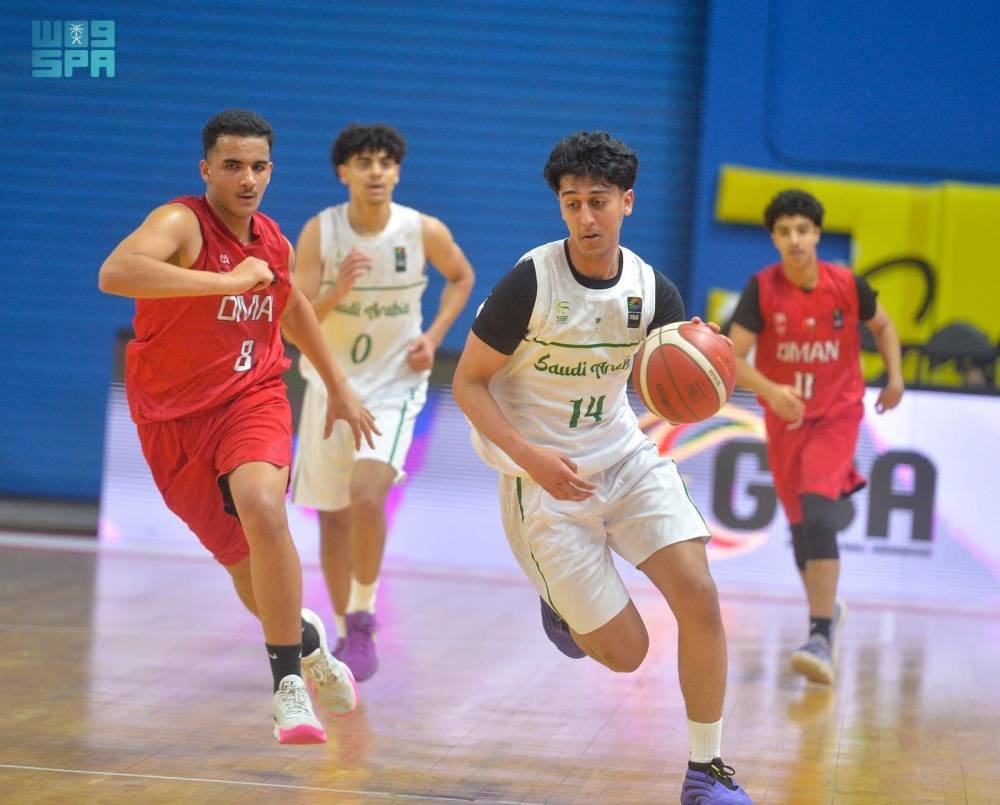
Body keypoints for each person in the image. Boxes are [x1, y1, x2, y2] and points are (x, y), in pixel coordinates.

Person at [452, 131, 752, 804]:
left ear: (627, 202)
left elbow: (673, 378)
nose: (586, 216)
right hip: (540, 478)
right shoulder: (531, 282)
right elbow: (467, 383)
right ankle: (562, 604)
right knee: (627, 652)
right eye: (572, 203)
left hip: (622, 458)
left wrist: (704, 359)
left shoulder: (651, 290)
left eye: (599, 201)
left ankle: (706, 771)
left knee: (699, 594)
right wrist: (530, 456)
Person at [98, 109, 378, 745]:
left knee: (262, 504)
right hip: (170, 421)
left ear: (270, 171)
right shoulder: (181, 222)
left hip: (252, 398)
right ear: (207, 170)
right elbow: (115, 272)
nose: (247, 178)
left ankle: (288, 687)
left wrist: (337, 386)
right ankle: (307, 644)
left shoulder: (273, 243)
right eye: (232, 166)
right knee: (246, 574)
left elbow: (293, 307)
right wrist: (222, 281)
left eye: (258, 167)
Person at [290, 123, 474, 681]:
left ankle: (363, 615)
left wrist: (434, 337)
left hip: (394, 386)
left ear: (396, 172)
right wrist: (338, 291)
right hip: (330, 387)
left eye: (385, 163)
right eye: (364, 162)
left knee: (368, 496)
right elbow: (294, 323)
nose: (376, 172)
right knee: (332, 520)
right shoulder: (320, 232)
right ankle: (345, 630)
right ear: (342, 172)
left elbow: (461, 277)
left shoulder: (421, 230)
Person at [728, 188, 904, 685]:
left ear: (817, 234)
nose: (795, 239)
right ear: (774, 238)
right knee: (802, 528)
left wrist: (894, 377)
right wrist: (770, 389)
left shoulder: (847, 284)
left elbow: (885, 327)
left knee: (820, 512)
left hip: (836, 415)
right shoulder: (762, 289)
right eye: (784, 231)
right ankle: (828, 613)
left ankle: (819, 636)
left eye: (802, 230)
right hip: (785, 421)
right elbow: (731, 357)